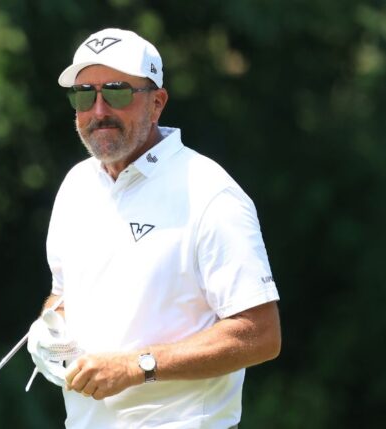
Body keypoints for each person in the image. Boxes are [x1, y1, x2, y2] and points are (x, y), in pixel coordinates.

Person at [26, 28, 282, 428]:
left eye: (117, 92)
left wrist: (137, 366)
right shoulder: (77, 185)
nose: (98, 111)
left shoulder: (210, 193)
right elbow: (64, 294)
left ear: (157, 102)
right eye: (83, 95)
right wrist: (51, 328)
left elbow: (260, 335)